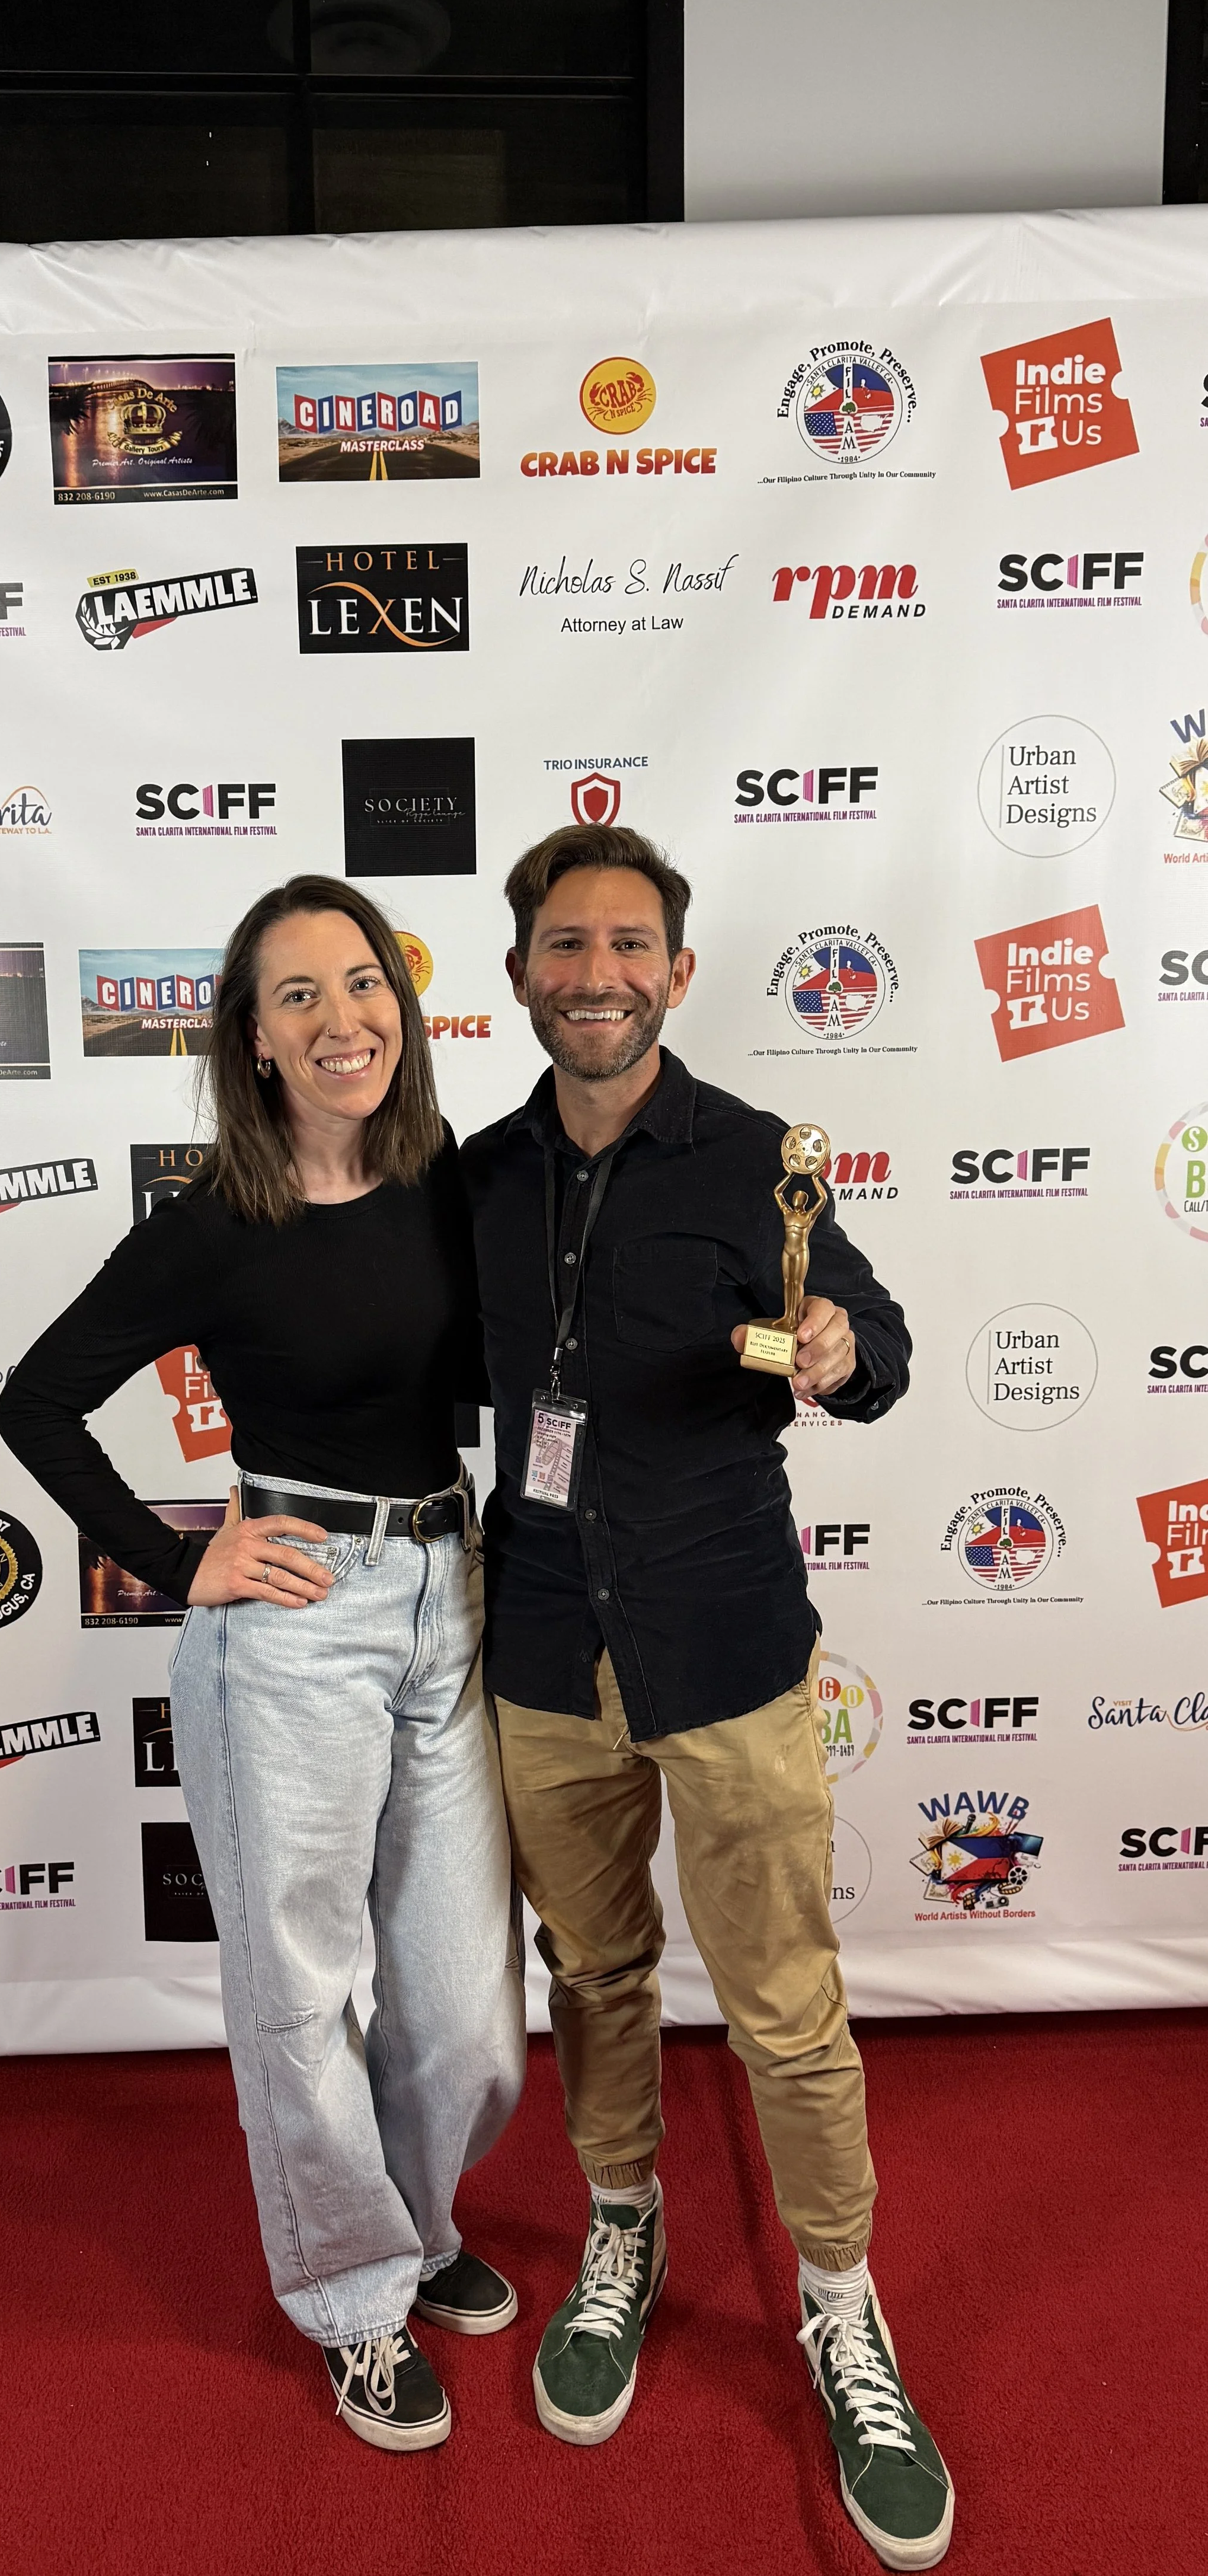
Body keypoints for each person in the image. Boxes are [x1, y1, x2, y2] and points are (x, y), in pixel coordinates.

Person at [459, 826, 953, 2572]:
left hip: (732, 1655)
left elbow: (876, 1335)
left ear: (675, 970)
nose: (594, 971)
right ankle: (620, 2222)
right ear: (520, 969)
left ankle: (837, 2300)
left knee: (783, 2008)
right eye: (563, 942)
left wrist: (842, 1353)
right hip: (542, 1658)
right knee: (589, 1970)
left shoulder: (759, 1164)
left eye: (628, 944)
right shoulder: (482, 1176)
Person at [0, 875, 525, 2453]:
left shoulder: (453, 1186)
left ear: (400, 1008)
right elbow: (37, 1401)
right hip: (293, 1617)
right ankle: (354, 2295)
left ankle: (416, 2223)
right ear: (252, 1037)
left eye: (358, 983)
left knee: (466, 2013)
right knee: (300, 1993)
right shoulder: (212, 1222)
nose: (337, 1017)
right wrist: (177, 1557)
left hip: (452, 1591)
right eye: (294, 995)